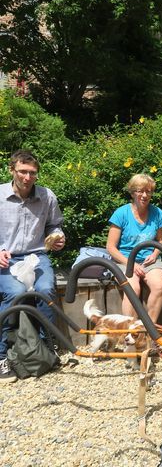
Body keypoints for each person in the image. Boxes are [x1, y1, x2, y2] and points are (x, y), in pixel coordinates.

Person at [0, 150, 65, 383]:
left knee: (46, 290)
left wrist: (57, 237)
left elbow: (55, 224)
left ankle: (48, 346)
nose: (27, 178)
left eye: (32, 173)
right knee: (15, 294)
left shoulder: (47, 196)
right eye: (23, 172)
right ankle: (1, 356)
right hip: (6, 259)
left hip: (36, 257)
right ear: (12, 170)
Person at [106, 174, 162, 322]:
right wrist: (130, 264)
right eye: (140, 191)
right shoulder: (121, 213)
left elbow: (160, 241)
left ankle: (150, 332)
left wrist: (155, 253)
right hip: (125, 260)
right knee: (133, 289)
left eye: (148, 191)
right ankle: (130, 333)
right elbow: (111, 247)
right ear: (133, 192)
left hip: (149, 261)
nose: (144, 195)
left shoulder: (157, 212)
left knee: (159, 285)